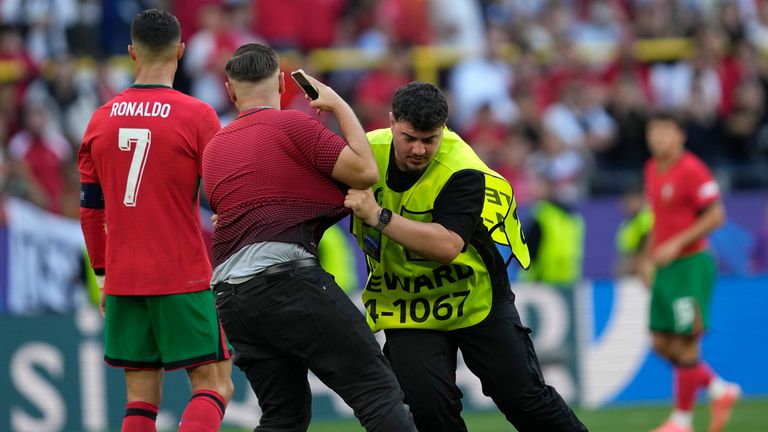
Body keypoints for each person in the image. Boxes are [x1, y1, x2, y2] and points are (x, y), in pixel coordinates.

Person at [345, 82, 587, 432]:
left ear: (444, 129)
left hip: (476, 298)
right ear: (391, 121)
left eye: (429, 140)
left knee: (524, 400)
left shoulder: (463, 168)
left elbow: (446, 247)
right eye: (409, 137)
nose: (418, 149)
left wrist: (378, 217)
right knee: (430, 410)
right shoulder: (366, 152)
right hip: (409, 306)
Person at [202, 43, 415, 432]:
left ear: (230, 91)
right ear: (284, 83)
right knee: (377, 389)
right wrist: (338, 105)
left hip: (230, 298)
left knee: (284, 417)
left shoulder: (214, 148)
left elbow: (241, 206)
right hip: (285, 280)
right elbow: (366, 171)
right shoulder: (292, 125)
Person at [78, 10, 233, 432]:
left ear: (131, 53)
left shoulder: (99, 119)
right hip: (182, 273)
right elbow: (226, 193)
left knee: (141, 401)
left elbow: (91, 211)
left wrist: (104, 276)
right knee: (215, 386)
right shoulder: (197, 115)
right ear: (181, 51)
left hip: (124, 278)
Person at [639, 112, 741, 432]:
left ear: (681, 136)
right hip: (666, 267)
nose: (658, 138)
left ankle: (681, 421)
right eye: (654, 131)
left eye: (666, 132)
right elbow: (660, 218)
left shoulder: (692, 169)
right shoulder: (652, 169)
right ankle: (717, 388)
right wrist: (647, 257)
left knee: (685, 343)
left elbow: (717, 216)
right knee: (660, 342)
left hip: (691, 265)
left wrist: (677, 243)